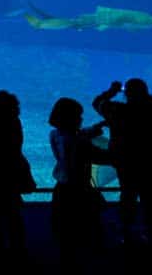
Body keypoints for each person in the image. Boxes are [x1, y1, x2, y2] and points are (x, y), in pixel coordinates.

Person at [92, 78, 152, 244]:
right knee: (149, 194)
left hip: (125, 160)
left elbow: (97, 102)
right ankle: (150, 230)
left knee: (128, 194)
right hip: (148, 158)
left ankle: (126, 230)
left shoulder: (117, 110)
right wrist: (142, 95)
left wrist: (113, 90)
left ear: (127, 93)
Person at [48, 98, 110, 269]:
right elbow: (101, 156)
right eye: (78, 115)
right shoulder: (78, 141)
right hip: (79, 189)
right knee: (87, 221)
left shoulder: (55, 134)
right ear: (71, 118)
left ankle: (67, 256)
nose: (81, 118)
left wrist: (97, 127)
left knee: (63, 225)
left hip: (62, 186)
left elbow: (76, 135)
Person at [0, 90, 33, 257]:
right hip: (12, 168)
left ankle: (0, 247)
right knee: (13, 210)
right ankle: (17, 247)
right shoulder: (15, 121)